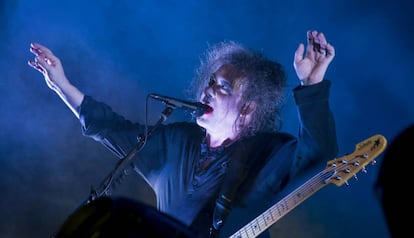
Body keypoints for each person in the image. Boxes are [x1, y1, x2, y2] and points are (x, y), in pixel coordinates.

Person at [28, 30, 338, 238]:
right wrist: (62, 85)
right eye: (211, 81)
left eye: (223, 88)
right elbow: (111, 128)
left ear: (247, 109)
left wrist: (312, 86)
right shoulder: (176, 142)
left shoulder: (269, 151)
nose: (209, 89)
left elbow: (318, 156)